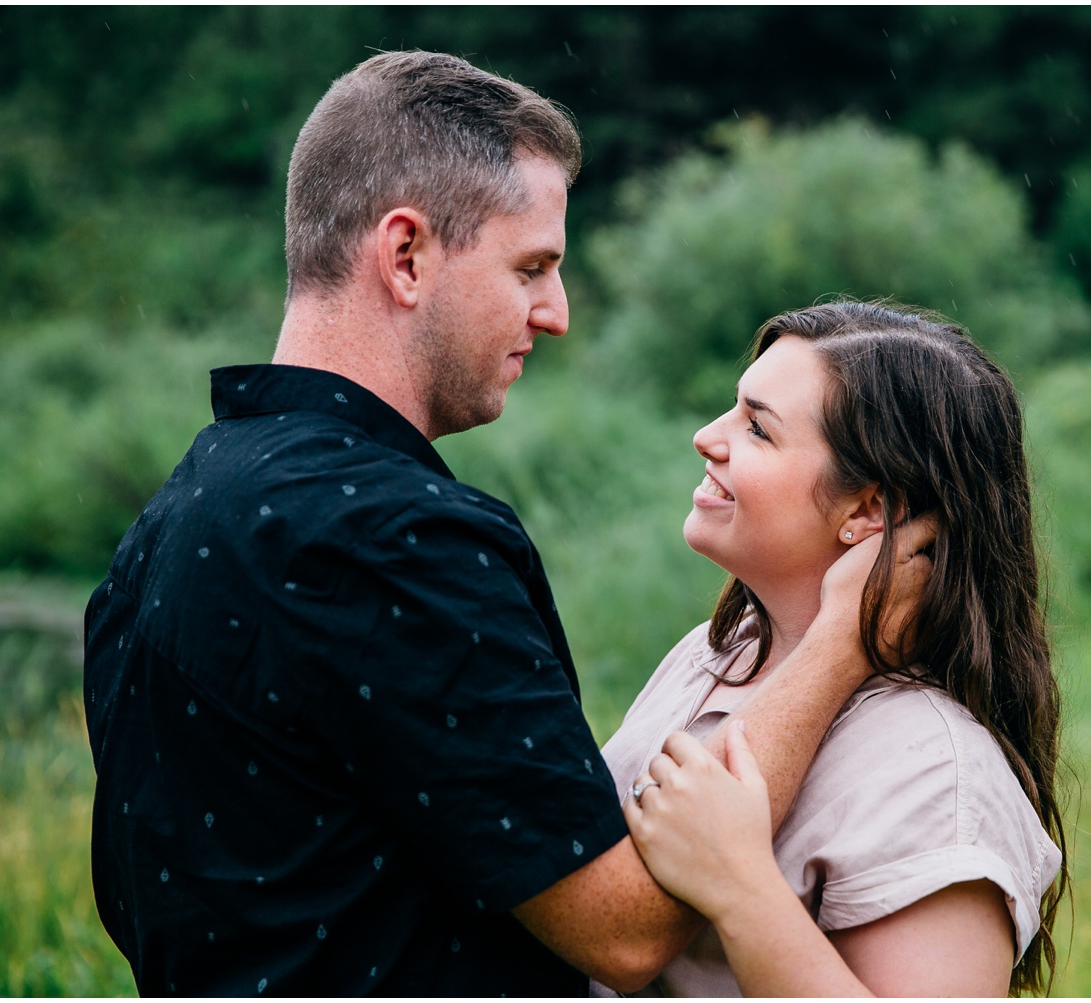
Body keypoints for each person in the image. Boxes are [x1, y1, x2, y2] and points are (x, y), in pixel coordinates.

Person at [82, 52, 926, 996]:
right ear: (406, 255)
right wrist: (847, 642)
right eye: (532, 267)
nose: (555, 314)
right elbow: (629, 930)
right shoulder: (393, 537)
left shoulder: (175, 514)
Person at [604, 300, 1070, 996]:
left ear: (867, 511)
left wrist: (741, 888)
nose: (707, 436)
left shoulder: (935, 772)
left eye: (758, 429)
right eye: (733, 409)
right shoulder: (709, 657)